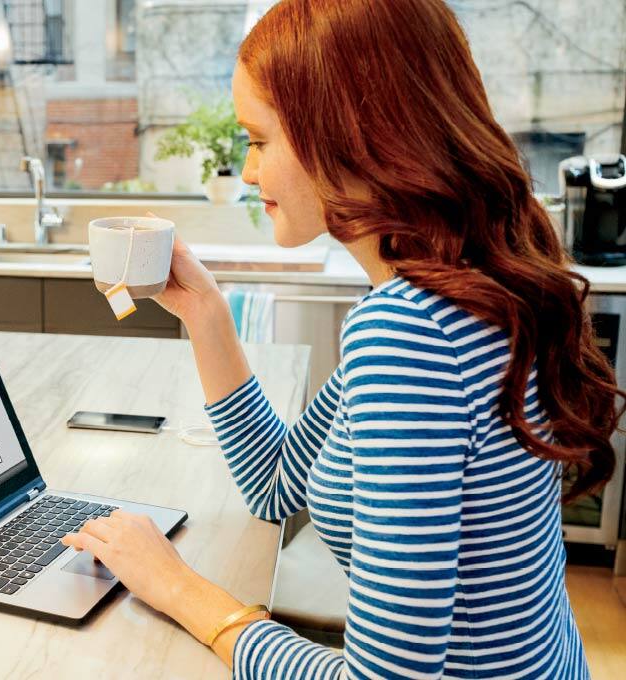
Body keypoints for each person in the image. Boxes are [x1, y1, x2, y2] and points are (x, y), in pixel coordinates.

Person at [61, 0, 624, 677]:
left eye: (259, 141)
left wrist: (178, 588)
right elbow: (276, 483)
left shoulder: (409, 333)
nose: (248, 171)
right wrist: (205, 312)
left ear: (350, 135)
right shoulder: (458, 286)